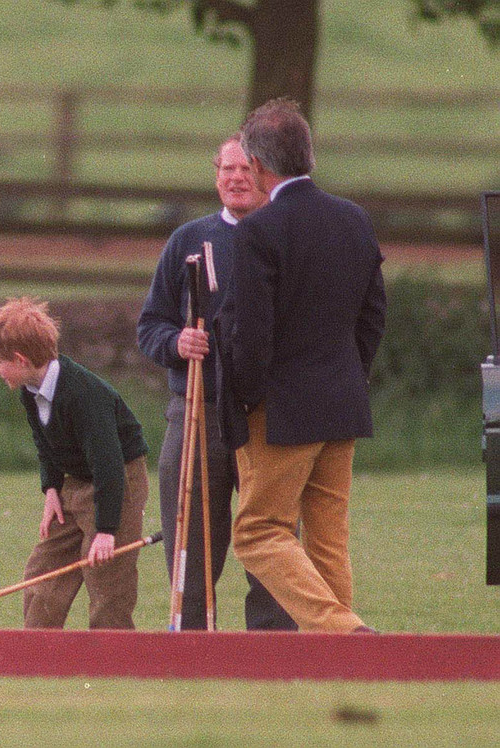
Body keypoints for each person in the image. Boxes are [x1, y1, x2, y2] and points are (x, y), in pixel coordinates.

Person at [215, 98, 386, 633]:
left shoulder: (257, 234)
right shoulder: (354, 219)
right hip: (343, 401)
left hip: (281, 411)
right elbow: (373, 315)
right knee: (328, 538)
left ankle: (343, 631)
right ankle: (343, 657)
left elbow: (252, 335)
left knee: (258, 532)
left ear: (262, 168)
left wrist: (243, 397)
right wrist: (347, 375)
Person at [137, 136, 296, 631]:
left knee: (270, 535)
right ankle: (190, 639)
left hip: (266, 415)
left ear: (267, 175)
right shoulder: (187, 240)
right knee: (190, 536)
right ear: (216, 176)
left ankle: (272, 647)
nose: (236, 178)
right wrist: (176, 343)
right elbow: (150, 326)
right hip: (196, 411)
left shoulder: (288, 236)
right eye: (227, 169)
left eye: (247, 169)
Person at [0, 297, 149, 629]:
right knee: (42, 572)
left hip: (118, 483)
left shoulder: (85, 395)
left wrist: (105, 530)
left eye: (0, 362)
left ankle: (111, 664)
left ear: (20, 358)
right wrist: (52, 489)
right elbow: (45, 444)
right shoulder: (30, 389)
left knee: (105, 580)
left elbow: (109, 465)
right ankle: (39, 657)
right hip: (74, 482)